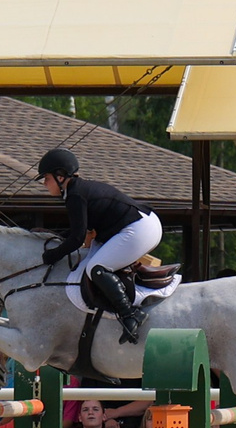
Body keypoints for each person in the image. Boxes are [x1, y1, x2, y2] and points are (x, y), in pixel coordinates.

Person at [35, 146, 160, 345]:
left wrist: (51, 256)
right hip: (138, 223)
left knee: (97, 268)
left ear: (60, 176)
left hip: (139, 228)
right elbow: (78, 231)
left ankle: (130, 314)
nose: (44, 183)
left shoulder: (75, 195)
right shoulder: (76, 191)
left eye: (46, 178)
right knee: (93, 261)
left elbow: (77, 239)